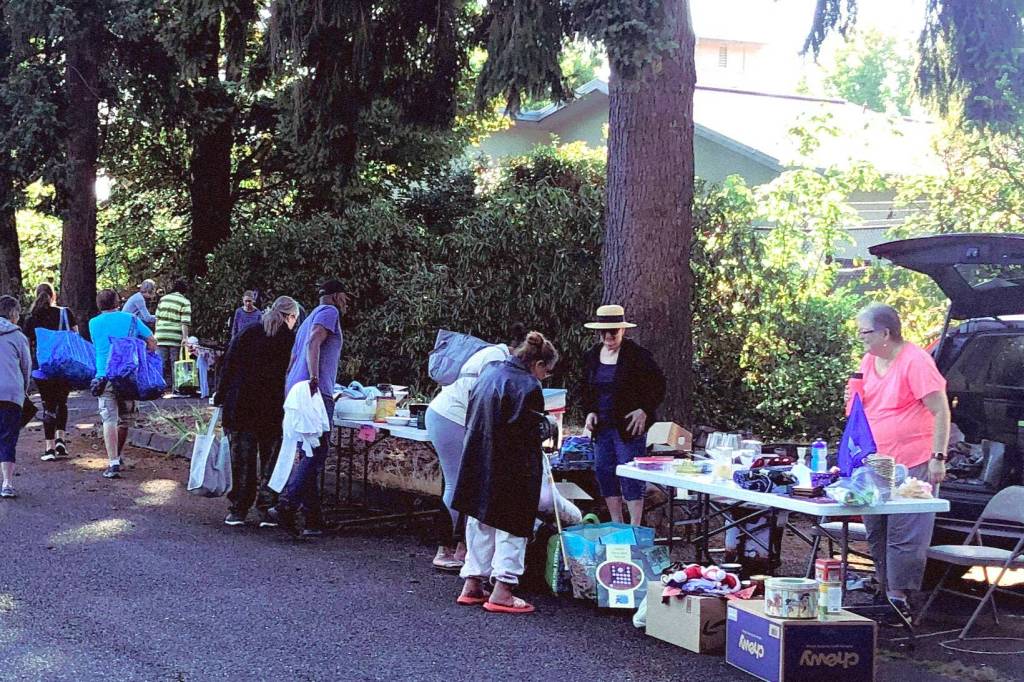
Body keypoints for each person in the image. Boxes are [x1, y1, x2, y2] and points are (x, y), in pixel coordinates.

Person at [853, 303, 949, 621]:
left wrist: (938, 457)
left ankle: (900, 600)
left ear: (885, 332)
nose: (860, 338)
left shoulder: (915, 361)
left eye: (864, 332)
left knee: (904, 533)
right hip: (876, 461)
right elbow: (865, 407)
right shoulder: (869, 360)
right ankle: (883, 592)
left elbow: (941, 410)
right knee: (876, 530)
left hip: (914, 461)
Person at [452, 331, 559, 614]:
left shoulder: (490, 371)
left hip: (477, 458)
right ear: (537, 365)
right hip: (511, 466)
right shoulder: (527, 386)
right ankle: (503, 591)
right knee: (512, 528)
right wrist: (548, 426)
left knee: (480, 522)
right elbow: (527, 432)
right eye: (546, 372)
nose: (544, 378)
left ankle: (472, 583)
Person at [425, 323, 527, 571]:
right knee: (455, 484)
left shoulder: (493, 353)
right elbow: (488, 398)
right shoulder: (497, 358)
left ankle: (463, 548)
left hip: (447, 414)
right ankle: (444, 549)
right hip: (452, 418)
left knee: (468, 483)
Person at [268, 280, 349, 537]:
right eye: (345, 298)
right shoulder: (329, 312)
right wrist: (314, 378)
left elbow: (292, 358)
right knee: (318, 450)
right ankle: (287, 505)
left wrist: (289, 390)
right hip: (313, 391)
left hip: (296, 389)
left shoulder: (307, 317)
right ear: (336, 296)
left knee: (309, 449)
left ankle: (313, 518)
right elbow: (315, 342)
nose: (346, 303)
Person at [215, 296, 299, 527]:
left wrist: (220, 396)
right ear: (290, 316)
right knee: (271, 459)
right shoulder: (289, 339)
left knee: (242, 460)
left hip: (241, 405)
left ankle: (239, 509)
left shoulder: (249, 332)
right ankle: (267, 506)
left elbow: (228, 365)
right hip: (273, 407)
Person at [580, 304, 665, 525]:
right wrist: (589, 412)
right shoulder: (591, 356)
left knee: (630, 476)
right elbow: (585, 390)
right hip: (602, 428)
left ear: (623, 330)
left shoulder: (637, 356)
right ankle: (617, 524)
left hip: (627, 428)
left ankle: (635, 527)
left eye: (613, 331)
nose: (609, 336)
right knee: (604, 473)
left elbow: (658, 385)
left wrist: (645, 410)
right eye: (604, 332)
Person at [91, 288, 157, 479]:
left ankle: (112, 462)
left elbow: (97, 345)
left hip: (105, 375)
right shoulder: (131, 319)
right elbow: (152, 342)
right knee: (125, 419)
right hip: (129, 375)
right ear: (117, 302)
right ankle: (118, 454)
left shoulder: (93, 323)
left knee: (109, 419)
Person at [23, 283, 79, 461]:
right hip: (63, 366)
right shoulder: (65, 313)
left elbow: (26, 343)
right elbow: (75, 336)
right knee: (62, 402)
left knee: (48, 405)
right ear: (53, 296)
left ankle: (49, 448)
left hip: (43, 368)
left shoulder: (31, 318)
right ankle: (61, 439)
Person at [0, 296, 31, 498]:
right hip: (11, 393)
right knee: (8, 438)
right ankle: (7, 483)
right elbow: (26, 367)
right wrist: (24, 390)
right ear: (13, 314)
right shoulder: (18, 337)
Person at [155, 279, 192, 390]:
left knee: (160, 362)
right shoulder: (185, 302)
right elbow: (184, 322)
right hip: (174, 335)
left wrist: (156, 333)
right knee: (175, 362)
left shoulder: (163, 299)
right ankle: (176, 388)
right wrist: (185, 337)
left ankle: (158, 387)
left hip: (161, 334)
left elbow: (157, 318)